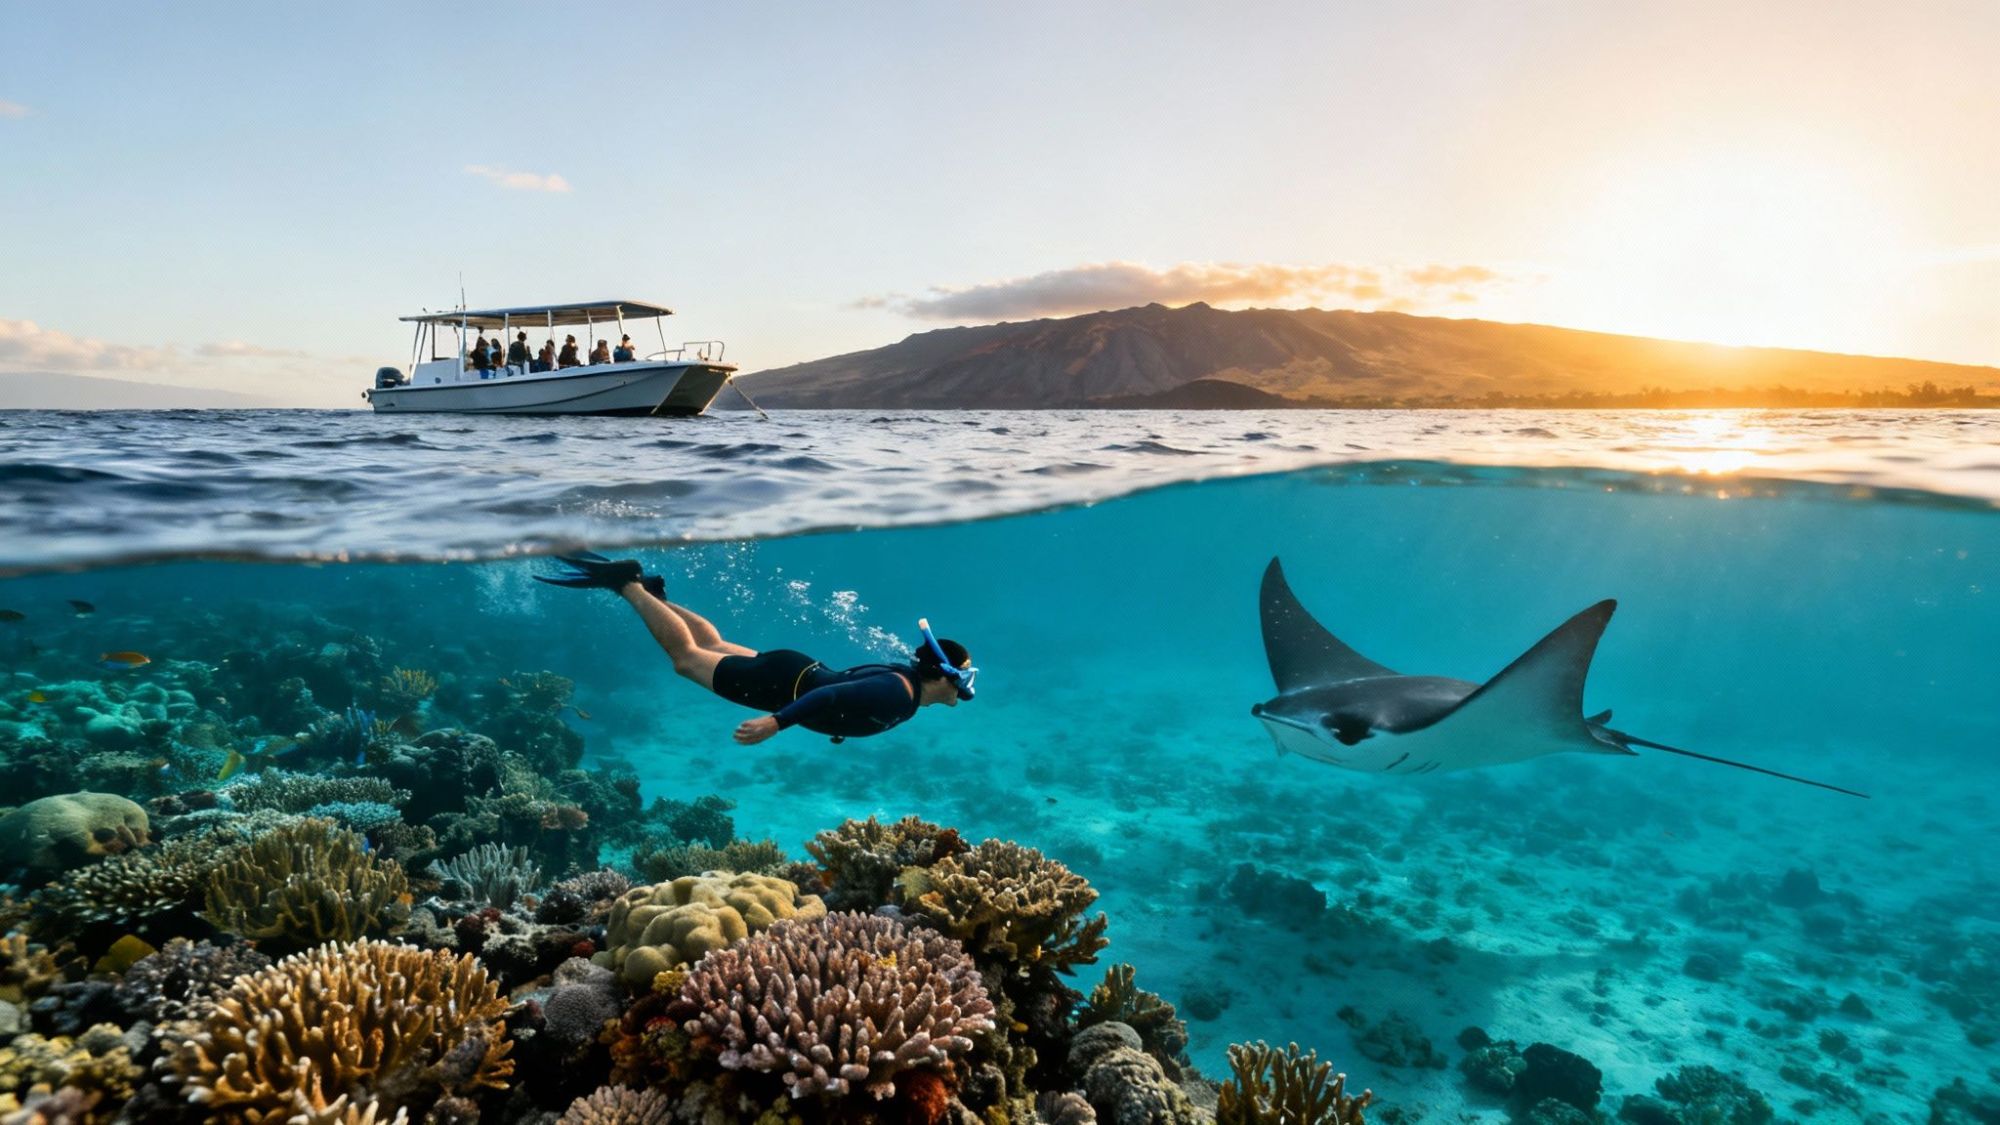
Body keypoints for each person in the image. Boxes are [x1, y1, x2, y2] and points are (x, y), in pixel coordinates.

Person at [536, 553, 975, 744]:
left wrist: (839, 724)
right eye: (966, 675)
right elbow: (834, 695)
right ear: (942, 675)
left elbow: (846, 686)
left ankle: (656, 597)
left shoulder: (902, 681)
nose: (967, 687)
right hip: (780, 687)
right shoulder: (899, 694)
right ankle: (628, 585)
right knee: (687, 659)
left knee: (710, 641)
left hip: (794, 668)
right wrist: (776, 722)